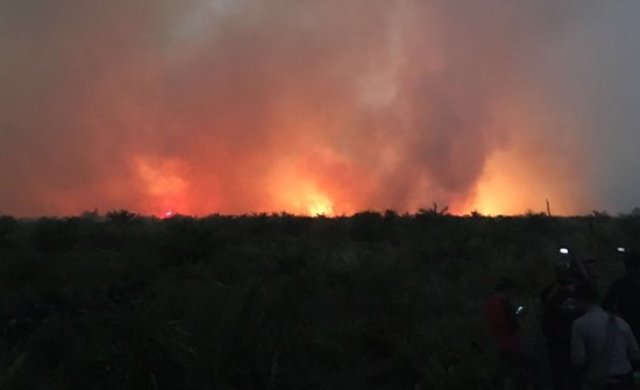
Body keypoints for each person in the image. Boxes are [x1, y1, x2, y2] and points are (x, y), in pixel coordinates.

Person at [571, 284, 640, 390]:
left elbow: (578, 360)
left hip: (598, 381)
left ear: (580, 299)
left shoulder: (580, 324)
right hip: (625, 379)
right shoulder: (621, 322)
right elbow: (635, 354)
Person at [540, 262, 589, 390]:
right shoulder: (553, 294)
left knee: (566, 373)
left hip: (565, 338)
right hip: (562, 339)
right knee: (564, 373)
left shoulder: (567, 292)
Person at [602, 252, 640, 342]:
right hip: (627, 325)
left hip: (626, 325)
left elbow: (606, 306)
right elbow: (606, 306)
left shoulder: (619, 284)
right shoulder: (620, 284)